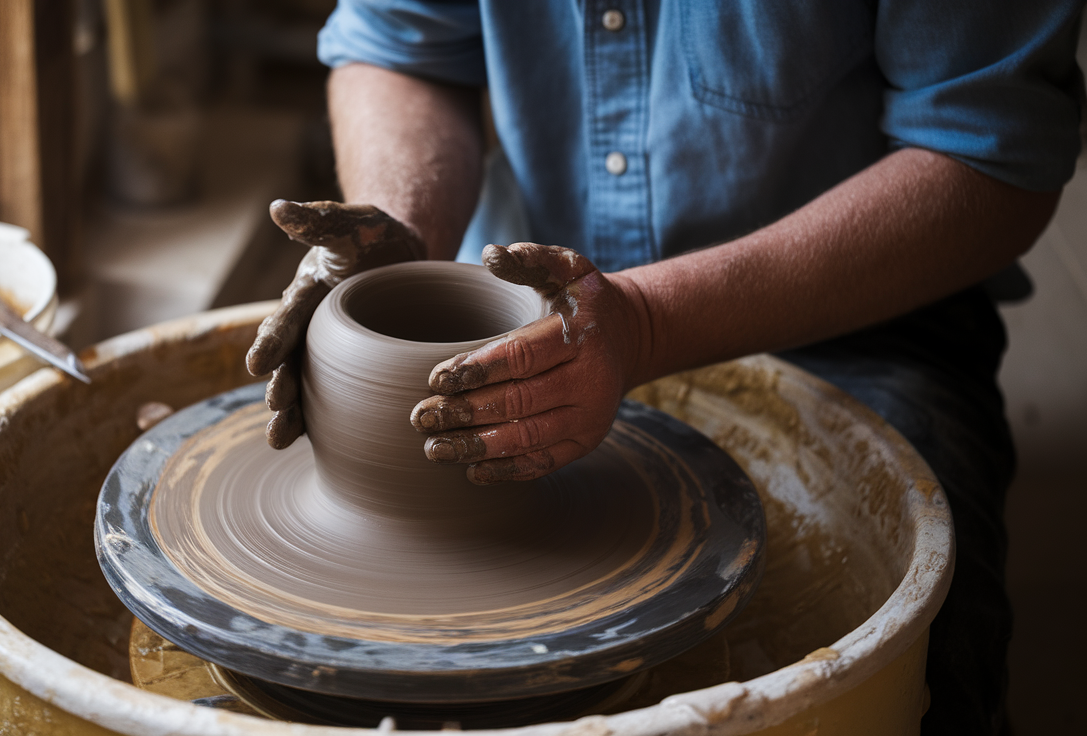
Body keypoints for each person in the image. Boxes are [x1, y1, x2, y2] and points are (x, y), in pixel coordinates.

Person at [244, 2, 1085, 733]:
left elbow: (986, 150)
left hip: (852, 310)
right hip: (517, 303)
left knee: (927, 668)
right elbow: (400, 47)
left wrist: (644, 322)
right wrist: (405, 243)